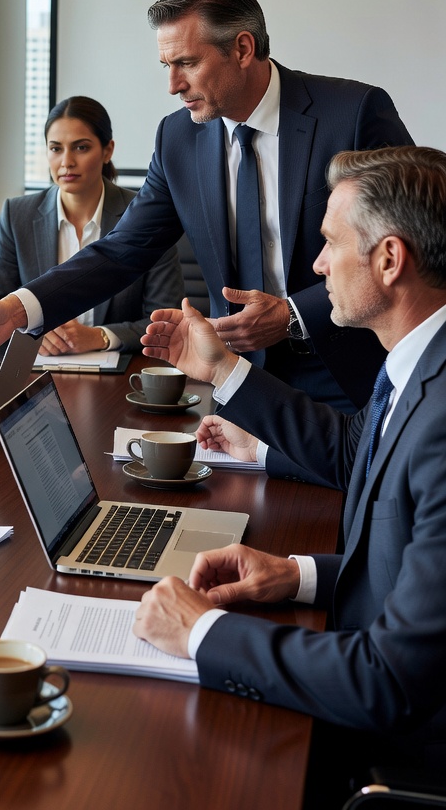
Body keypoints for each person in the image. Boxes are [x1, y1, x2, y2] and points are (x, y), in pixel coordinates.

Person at [0, 0, 413, 417]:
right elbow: (121, 251)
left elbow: (411, 245)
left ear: (242, 48)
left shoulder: (352, 115)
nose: (172, 86)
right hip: (236, 380)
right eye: (166, 66)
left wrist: (292, 315)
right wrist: (15, 311)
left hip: (347, 377)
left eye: (187, 64)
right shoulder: (178, 138)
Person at [133, 146, 446, 782]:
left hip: (396, 763)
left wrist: (203, 633)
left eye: (331, 242)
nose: (317, 263)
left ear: (389, 260)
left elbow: (384, 680)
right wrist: (294, 574)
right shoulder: (416, 362)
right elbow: (360, 458)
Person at [0, 95, 183, 355]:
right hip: (39, 372)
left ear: (107, 150)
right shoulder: (17, 214)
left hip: (120, 376)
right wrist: (31, 333)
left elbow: (165, 320)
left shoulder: (146, 215)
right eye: (56, 149)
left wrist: (100, 336)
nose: (67, 162)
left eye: (81, 147)